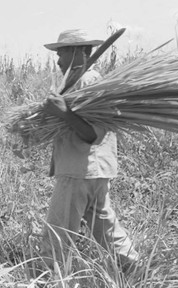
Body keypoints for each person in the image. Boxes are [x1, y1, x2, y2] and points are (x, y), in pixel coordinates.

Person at [40, 29, 138, 271]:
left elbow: (92, 134)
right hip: (92, 170)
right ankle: (135, 270)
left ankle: (47, 278)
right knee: (106, 231)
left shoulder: (87, 81)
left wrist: (62, 111)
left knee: (57, 235)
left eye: (62, 52)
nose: (58, 59)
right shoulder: (79, 80)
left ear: (78, 52)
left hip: (79, 171)